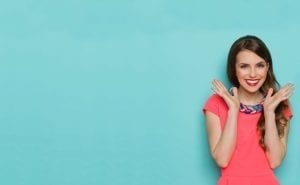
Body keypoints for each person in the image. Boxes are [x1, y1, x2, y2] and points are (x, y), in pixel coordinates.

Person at [203, 35, 294, 185]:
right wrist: (233, 110)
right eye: (244, 66)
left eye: (259, 65)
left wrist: (269, 113)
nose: (252, 74)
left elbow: (275, 161)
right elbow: (222, 159)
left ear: (267, 67)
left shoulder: (279, 104)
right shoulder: (216, 103)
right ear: (234, 68)